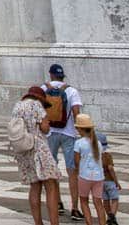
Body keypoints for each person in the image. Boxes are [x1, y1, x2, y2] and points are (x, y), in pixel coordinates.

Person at [11, 86, 62, 225]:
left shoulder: (17, 107)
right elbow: (45, 129)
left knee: (34, 186)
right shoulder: (37, 105)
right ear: (40, 98)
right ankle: (54, 223)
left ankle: (38, 223)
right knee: (51, 185)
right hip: (39, 148)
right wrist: (47, 123)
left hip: (24, 150)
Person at [43, 64, 83, 218]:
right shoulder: (71, 91)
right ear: (62, 76)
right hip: (69, 134)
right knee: (72, 171)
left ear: (51, 75)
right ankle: (74, 208)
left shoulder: (44, 88)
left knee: (52, 169)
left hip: (50, 133)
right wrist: (81, 133)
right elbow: (76, 113)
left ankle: (57, 202)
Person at [72, 114, 107, 224]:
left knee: (84, 201)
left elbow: (76, 161)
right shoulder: (98, 143)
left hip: (84, 176)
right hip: (99, 177)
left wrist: (77, 171)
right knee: (98, 203)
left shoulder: (79, 143)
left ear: (79, 129)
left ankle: (89, 223)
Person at [101, 145, 121, 225]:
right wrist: (116, 181)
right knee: (115, 199)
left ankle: (109, 216)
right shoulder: (107, 155)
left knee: (105, 200)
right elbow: (110, 168)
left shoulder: (95, 156)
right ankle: (112, 217)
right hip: (110, 181)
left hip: (100, 181)